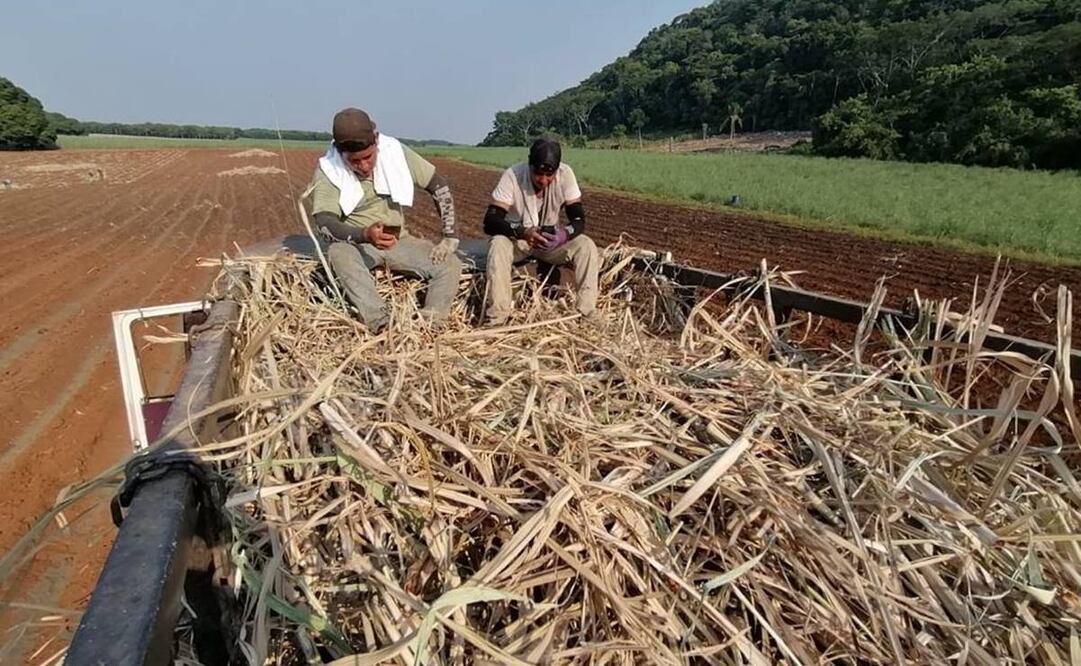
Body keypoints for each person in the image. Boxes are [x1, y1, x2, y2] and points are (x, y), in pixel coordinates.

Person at [309, 107, 461, 331]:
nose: (364, 166)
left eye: (368, 157)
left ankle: (430, 324)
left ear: (377, 141)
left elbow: (438, 185)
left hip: (398, 242)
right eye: (354, 161)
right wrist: (364, 234)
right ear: (341, 154)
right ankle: (382, 323)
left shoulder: (395, 153)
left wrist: (450, 235)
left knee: (450, 265)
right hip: (356, 245)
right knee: (338, 253)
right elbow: (324, 222)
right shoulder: (329, 169)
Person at [482, 138, 600, 326]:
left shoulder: (565, 174)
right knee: (498, 244)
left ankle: (586, 311)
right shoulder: (513, 176)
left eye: (549, 175)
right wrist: (522, 232)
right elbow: (490, 222)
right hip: (520, 240)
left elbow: (579, 220)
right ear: (529, 164)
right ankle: (498, 315)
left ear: (557, 170)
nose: (543, 181)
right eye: (538, 174)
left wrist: (564, 235)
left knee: (586, 245)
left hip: (549, 242)